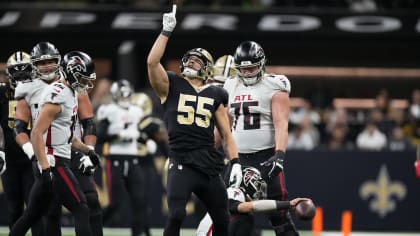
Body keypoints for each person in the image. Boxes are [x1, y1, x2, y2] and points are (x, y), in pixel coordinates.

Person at [146, 5, 242, 236]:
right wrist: (165, 32)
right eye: (188, 59)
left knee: (222, 219)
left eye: (197, 61)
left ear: (207, 69)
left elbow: (226, 133)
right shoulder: (171, 85)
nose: (191, 63)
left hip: (208, 164)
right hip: (182, 161)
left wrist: (236, 161)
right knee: (177, 214)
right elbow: (152, 62)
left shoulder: (216, 93)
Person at [223, 40, 298, 235]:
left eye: (252, 68)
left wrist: (279, 155)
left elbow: (281, 123)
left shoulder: (274, 84)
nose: (247, 73)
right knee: (234, 212)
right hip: (238, 159)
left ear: (262, 63)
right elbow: (224, 125)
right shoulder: (229, 85)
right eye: (243, 69)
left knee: (279, 214)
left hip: (265, 156)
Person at [29, 50, 100, 236]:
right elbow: (28, 129)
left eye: (51, 61)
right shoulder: (38, 89)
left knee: (90, 200)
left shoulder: (75, 90)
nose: (46, 67)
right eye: (42, 63)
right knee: (50, 210)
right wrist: (36, 157)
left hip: (71, 152)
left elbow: (89, 123)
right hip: (51, 156)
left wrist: (89, 151)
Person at [0, 51, 44, 236]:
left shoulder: (41, 91)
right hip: (9, 158)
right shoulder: (2, 92)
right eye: (15, 71)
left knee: (34, 207)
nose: (20, 75)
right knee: (13, 208)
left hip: (32, 158)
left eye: (24, 70)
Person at [97, 79, 148, 236]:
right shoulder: (109, 110)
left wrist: (144, 139)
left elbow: (140, 133)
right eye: (122, 95)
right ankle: (94, 228)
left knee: (139, 201)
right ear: (114, 95)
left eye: (127, 95)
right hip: (115, 158)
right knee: (116, 203)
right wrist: (119, 135)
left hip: (133, 159)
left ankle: (139, 233)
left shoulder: (136, 111)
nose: (125, 98)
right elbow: (101, 137)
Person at [197, 167, 310, 236]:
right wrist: (288, 204)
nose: (259, 190)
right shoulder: (233, 193)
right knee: (246, 219)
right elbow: (250, 207)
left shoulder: (232, 193)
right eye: (257, 184)